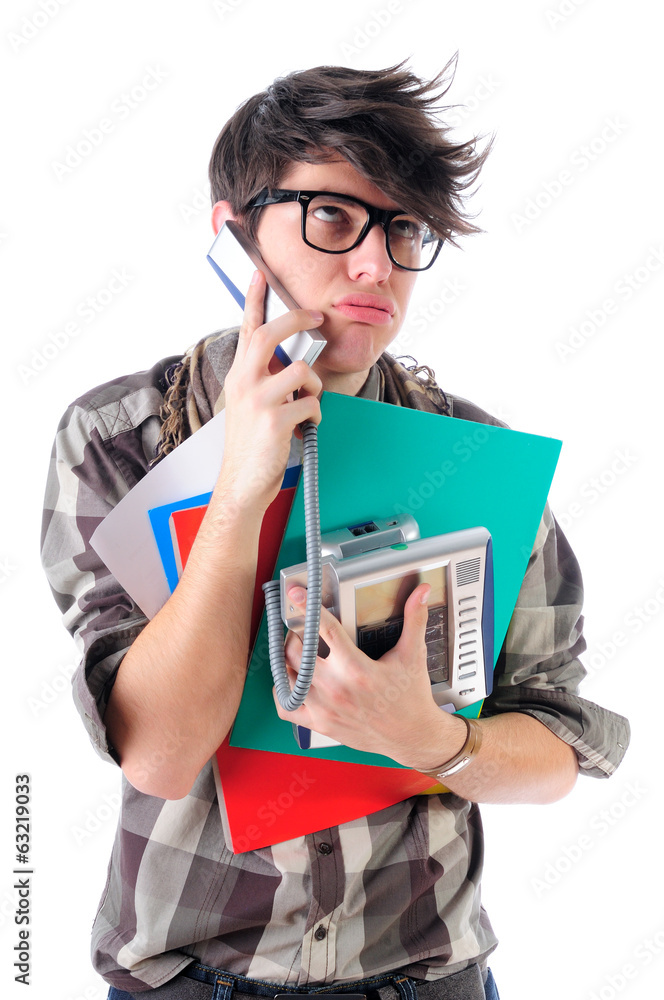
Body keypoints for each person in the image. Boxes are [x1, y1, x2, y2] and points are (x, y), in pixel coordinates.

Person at [41, 61, 629, 1000]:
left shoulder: (475, 457)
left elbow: (560, 746)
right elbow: (157, 753)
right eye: (331, 215)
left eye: (402, 230)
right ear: (233, 235)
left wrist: (434, 740)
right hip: (193, 982)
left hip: (425, 978)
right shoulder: (118, 439)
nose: (375, 265)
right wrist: (236, 493)